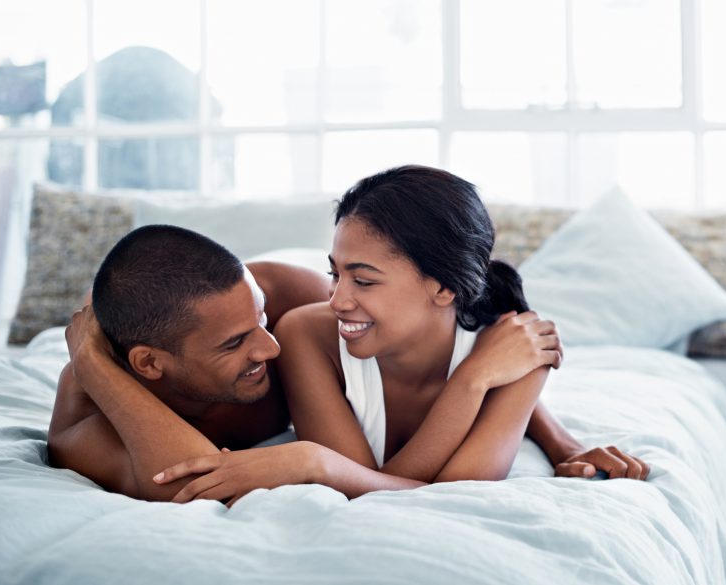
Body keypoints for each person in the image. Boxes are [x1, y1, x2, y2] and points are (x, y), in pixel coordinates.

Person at [153, 166, 649, 504]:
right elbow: (363, 484)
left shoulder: (517, 351)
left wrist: (473, 377)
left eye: (363, 280)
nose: (338, 298)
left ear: (444, 287)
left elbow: (455, 490)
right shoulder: (307, 332)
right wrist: (319, 463)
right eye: (336, 273)